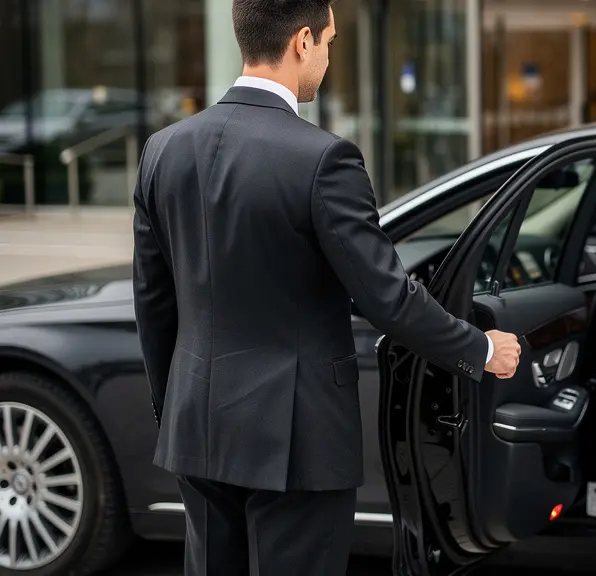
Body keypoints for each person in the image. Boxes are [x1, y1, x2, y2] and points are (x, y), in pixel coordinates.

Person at [130, 1, 521, 574]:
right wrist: (481, 349)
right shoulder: (323, 158)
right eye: (331, 42)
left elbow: (154, 303)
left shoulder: (162, 150)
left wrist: (178, 411)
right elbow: (386, 295)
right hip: (297, 443)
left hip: (198, 431)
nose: (330, 57)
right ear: (303, 40)